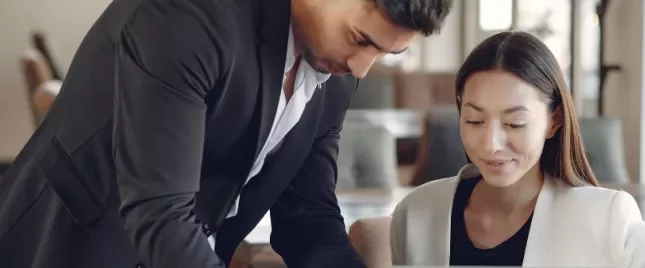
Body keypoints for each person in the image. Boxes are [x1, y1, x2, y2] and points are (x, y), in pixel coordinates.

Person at [0, 0, 453, 267]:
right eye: (359, 39)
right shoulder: (190, 16)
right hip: (69, 240)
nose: (361, 68)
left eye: (385, 53)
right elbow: (161, 213)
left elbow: (308, 215)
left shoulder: (334, 73)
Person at [389, 32, 645, 267]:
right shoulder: (416, 213)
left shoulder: (605, 217)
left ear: (554, 121)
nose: (490, 144)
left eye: (515, 123)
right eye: (474, 120)